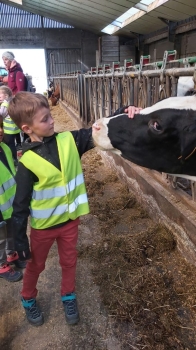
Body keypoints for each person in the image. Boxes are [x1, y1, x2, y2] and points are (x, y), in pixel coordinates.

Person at [0, 114, 25, 282]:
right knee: (0, 238)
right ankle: (1, 265)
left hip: (10, 204)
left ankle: (11, 254)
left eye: (0, 125)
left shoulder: (5, 147)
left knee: (11, 232)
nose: (1, 130)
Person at [1, 51, 27, 146]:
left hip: (16, 103)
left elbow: (20, 91)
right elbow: (7, 80)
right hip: (11, 102)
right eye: (3, 60)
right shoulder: (11, 72)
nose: (4, 61)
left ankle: (24, 142)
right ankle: (19, 143)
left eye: (6, 59)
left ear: (11, 60)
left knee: (20, 123)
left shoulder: (18, 73)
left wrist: (15, 103)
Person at [0, 85, 21, 166]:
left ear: (6, 95)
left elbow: (1, 114)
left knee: (10, 144)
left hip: (8, 129)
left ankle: (14, 159)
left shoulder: (5, 104)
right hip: (14, 127)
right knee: (12, 143)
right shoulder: (11, 101)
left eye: (0, 95)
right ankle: (14, 158)